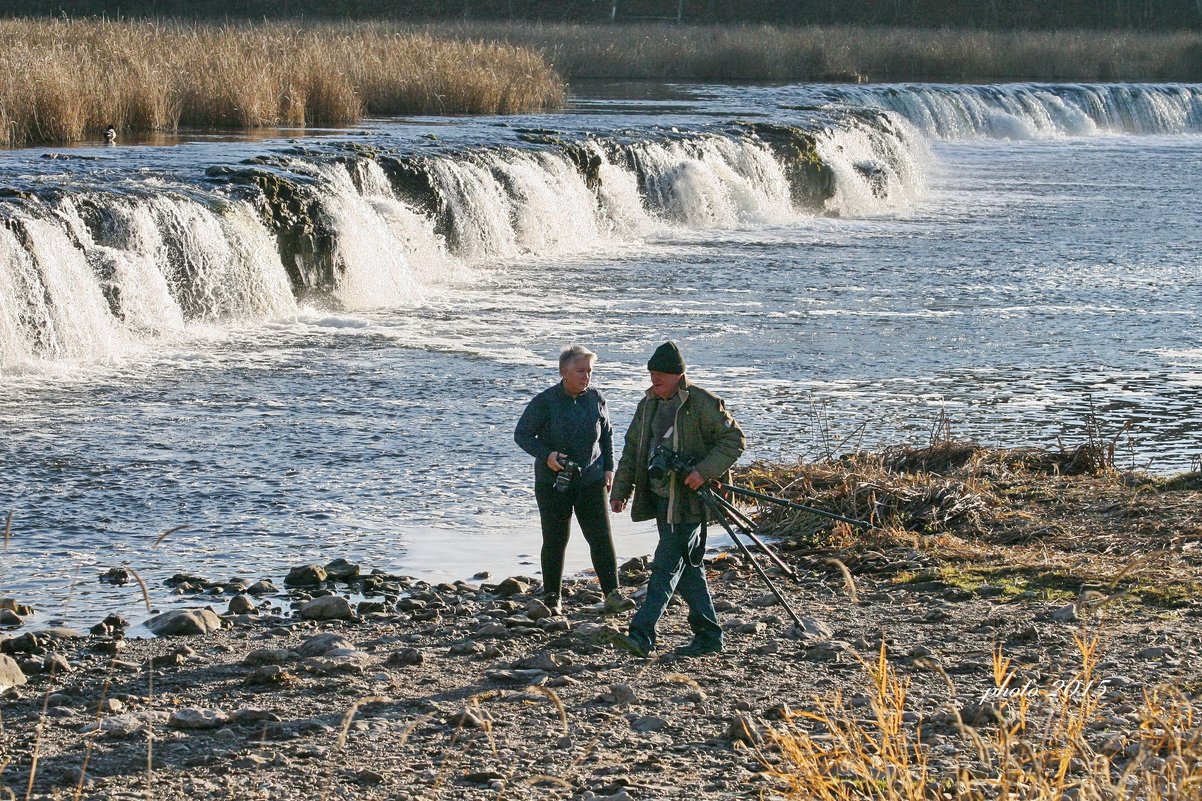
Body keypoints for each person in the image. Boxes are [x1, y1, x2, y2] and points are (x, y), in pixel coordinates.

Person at [608, 341, 745, 657]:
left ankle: (642, 634)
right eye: (652, 373)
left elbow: (734, 440)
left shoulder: (701, 402)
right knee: (687, 568)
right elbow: (632, 450)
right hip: (659, 498)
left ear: (678, 374)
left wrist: (703, 471)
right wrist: (620, 492)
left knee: (666, 565)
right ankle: (709, 636)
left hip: (691, 501)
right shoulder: (648, 404)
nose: (654, 379)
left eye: (660, 374)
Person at [515, 345, 631, 615]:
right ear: (564, 372)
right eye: (581, 371)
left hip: (591, 480)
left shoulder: (596, 398)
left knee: (601, 538)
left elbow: (607, 436)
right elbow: (521, 435)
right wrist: (547, 455)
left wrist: (609, 468)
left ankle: (612, 594)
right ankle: (553, 598)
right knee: (555, 539)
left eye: (589, 371)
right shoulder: (545, 401)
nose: (586, 376)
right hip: (554, 483)